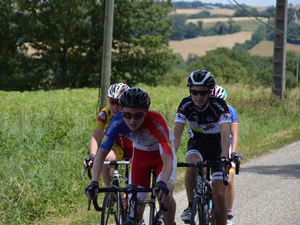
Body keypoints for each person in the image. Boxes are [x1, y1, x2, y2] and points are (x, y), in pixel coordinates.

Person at [85, 87, 177, 225]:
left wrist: (163, 182)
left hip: (161, 156)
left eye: (138, 115)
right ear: (121, 111)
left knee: (165, 193)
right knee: (136, 204)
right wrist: (94, 182)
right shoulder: (117, 122)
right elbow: (102, 154)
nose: (132, 121)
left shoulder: (155, 120)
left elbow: (168, 157)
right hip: (140, 154)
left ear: (146, 112)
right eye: (127, 115)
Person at [173, 70, 232, 225]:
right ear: (190, 91)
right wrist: (170, 156)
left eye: (203, 92)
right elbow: (177, 135)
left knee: (219, 195)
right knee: (192, 165)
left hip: (217, 148)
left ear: (210, 91)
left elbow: (226, 131)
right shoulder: (185, 105)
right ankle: (191, 204)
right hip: (197, 144)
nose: (199, 96)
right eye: (194, 92)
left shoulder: (219, 105)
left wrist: (225, 156)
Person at [84, 83, 133, 186]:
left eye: (119, 103)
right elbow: (96, 137)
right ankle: (111, 191)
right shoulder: (105, 113)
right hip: (117, 148)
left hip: (135, 148)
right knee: (104, 159)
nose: (115, 106)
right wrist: (92, 156)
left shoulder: (133, 113)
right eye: (112, 102)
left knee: (133, 184)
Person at [211, 85, 239, 225]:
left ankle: (228, 211)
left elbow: (234, 135)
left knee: (229, 180)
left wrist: (232, 152)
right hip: (209, 146)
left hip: (225, 147)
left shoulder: (230, 111)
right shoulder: (205, 109)